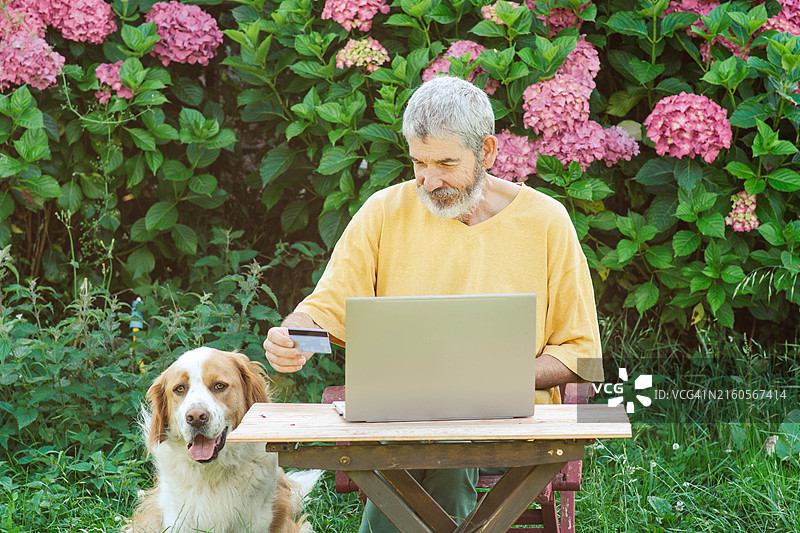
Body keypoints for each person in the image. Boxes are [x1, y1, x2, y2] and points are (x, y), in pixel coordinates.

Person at [263, 75, 604, 532]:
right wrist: (293, 338)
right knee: (427, 447)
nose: (429, 180)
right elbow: (322, 312)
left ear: (487, 152)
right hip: (399, 418)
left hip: (507, 422)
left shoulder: (546, 221)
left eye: (446, 162)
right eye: (418, 163)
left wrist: (487, 379)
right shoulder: (384, 211)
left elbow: (583, 354)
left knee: (442, 446)